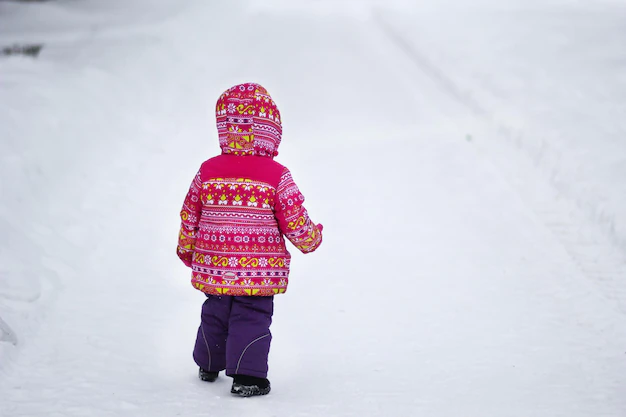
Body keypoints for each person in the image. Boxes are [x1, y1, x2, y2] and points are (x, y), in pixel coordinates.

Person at [176, 82, 323, 397]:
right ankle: (248, 377)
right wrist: (312, 238)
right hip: (258, 269)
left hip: (213, 265)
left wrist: (187, 249)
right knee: (251, 315)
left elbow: (190, 213)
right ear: (271, 129)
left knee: (215, 310)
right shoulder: (276, 175)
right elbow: (295, 219)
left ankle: (209, 363)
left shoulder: (207, 171)